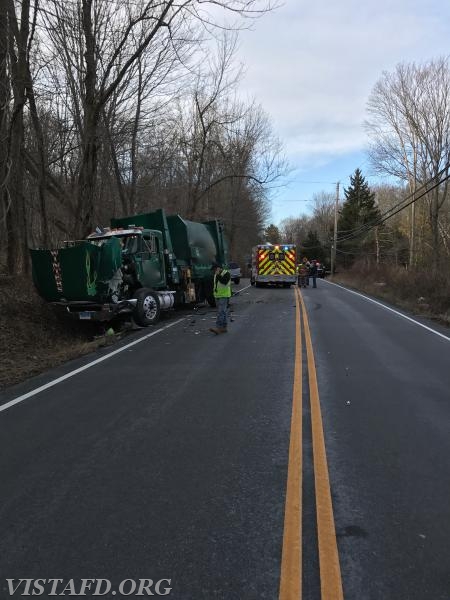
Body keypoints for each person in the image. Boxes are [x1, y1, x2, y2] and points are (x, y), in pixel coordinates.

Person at [209, 262, 231, 334]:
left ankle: (218, 328)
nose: (213, 271)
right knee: (223, 312)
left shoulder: (226, 273)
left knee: (220, 312)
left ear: (218, 268)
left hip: (224, 295)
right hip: (217, 296)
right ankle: (224, 327)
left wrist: (218, 274)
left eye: (214, 269)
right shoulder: (216, 274)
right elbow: (216, 285)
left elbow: (224, 282)